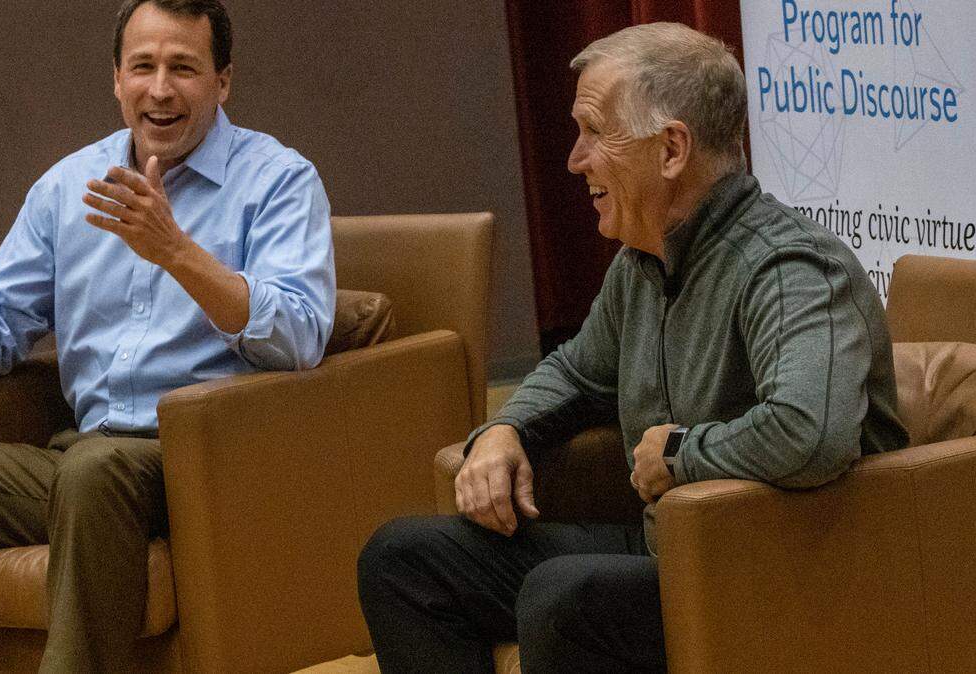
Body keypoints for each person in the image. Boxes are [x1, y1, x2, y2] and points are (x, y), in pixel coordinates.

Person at [357, 22, 907, 673]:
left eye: (596, 131)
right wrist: (504, 430)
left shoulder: (787, 266)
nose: (575, 158)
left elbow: (809, 432)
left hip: (787, 571)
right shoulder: (640, 267)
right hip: (672, 552)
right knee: (403, 560)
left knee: (568, 596)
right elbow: (576, 372)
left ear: (671, 148)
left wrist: (681, 453)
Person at [0, 1, 334, 671]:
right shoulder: (67, 187)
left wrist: (178, 254)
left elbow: (302, 336)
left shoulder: (278, 180)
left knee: (94, 470)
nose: (160, 89)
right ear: (116, 79)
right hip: (85, 457)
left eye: (183, 68)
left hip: (204, 460)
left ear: (222, 81)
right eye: (143, 66)